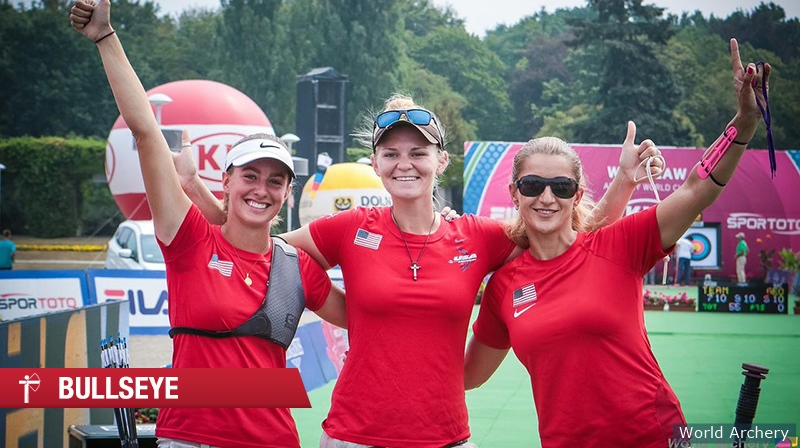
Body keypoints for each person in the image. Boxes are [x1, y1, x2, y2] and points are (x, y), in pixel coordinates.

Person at [180, 90, 661, 446]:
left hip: (446, 436)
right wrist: (202, 195)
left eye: (418, 153)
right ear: (376, 163)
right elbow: (255, 244)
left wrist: (622, 183)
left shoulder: (479, 236)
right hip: (354, 434)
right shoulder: (347, 229)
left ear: (441, 160)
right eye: (391, 154)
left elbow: (568, 238)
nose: (403, 164)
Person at [70, 0, 346, 448]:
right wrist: (105, 38)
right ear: (228, 182)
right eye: (250, 176)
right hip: (188, 439)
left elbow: (372, 318)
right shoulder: (190, 241)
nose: (261, 190)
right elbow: (145, 133)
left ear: (286, 194)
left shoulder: (296, 268)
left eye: (274, 181)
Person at [464, 38, 769, 447]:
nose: (547, 197)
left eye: (562, 185)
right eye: (533, 185)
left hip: (654, 437)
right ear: (515, 192)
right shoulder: (504, 286)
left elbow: (697, 190)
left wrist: (743, 125)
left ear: (577, 192)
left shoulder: (619, 245)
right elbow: (469, 375)